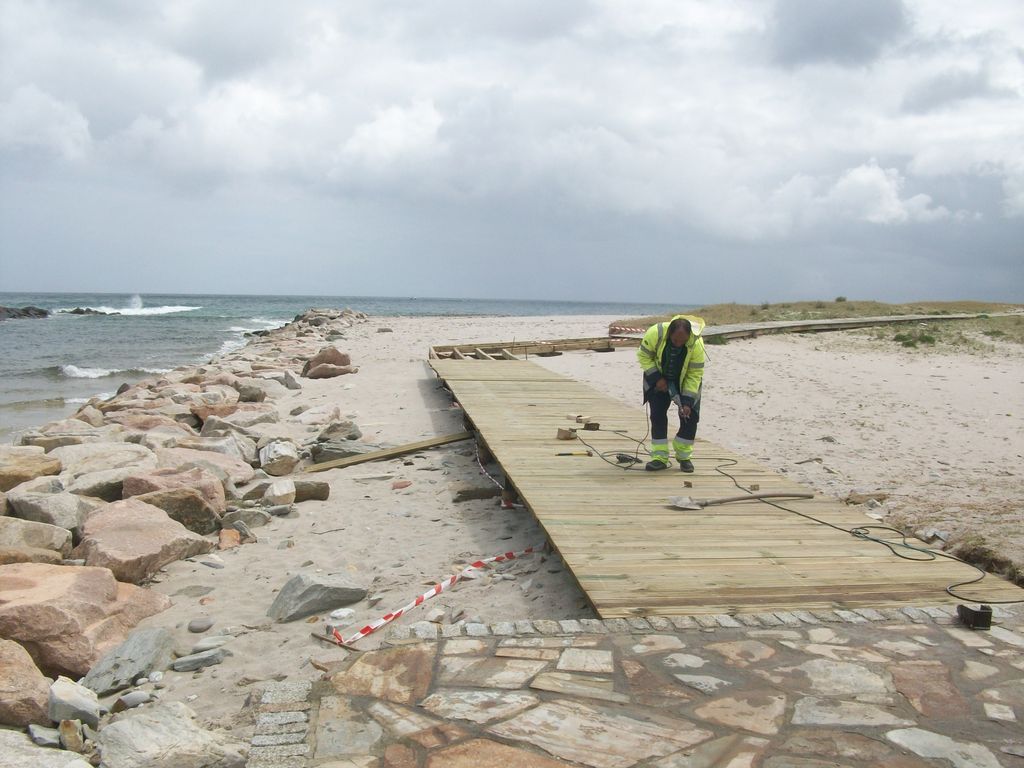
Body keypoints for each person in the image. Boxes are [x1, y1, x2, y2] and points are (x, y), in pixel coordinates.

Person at [636, 314, 706, 472]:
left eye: (683, 342)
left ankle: (684, 456)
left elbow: (694, 375)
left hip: (685, 379)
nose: (679, 344)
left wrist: (687, 401)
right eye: (675, 340)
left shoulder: (697, 345)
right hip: (658, 376)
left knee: (691, 416)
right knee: (657, 415)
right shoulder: (656, 333)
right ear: (669, 334)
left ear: (689, 336)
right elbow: (643, 355)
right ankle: (659, 457)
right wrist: (656, 378)